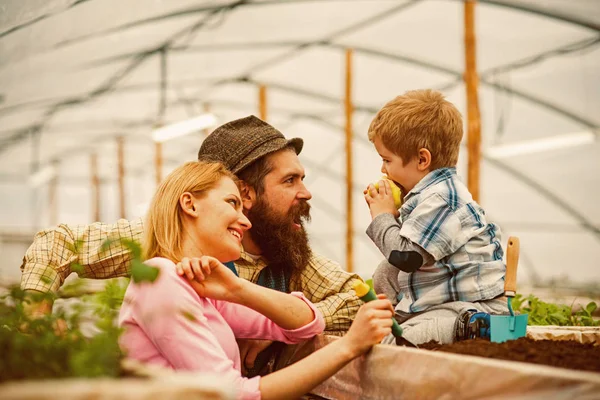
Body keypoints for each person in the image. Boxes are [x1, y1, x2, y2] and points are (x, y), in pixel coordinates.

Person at [20, 115, 362, 373]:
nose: (306, 192)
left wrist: (276, 324)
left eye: (303, 178)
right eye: (290, 180)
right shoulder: (168, 238)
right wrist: (35, 323)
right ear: (244, 193)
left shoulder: (289, 254)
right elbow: (56, 244)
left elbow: (358, 298)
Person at [119, 160, 394, 400]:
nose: (245, 221)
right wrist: (348, 347)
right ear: (190, 204)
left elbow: (305, 325)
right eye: (232, 203)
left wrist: (237, 288)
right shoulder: (161, 279)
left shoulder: (202, 288)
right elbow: (230, 394)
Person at [363, 89, 508, 346]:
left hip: (467, 308)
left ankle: (473, 328)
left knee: (392, 346)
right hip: (443, 304)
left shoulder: (443, 199)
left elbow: (407, 257)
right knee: (386, 274)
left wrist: (382, 216)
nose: (382, 169)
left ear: (421, 159)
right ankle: (396, 315)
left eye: (387, 160)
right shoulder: (427, 198)